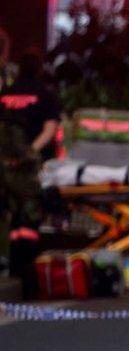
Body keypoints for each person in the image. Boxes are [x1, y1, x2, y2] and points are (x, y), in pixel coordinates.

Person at [0, 49, 58, 296]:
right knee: (30, 217)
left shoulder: (6, 94)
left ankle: (13, 266)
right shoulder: (45, 95)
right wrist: (31, 153)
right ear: (40, 69)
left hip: (4, 166)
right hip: (28, 169)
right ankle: (28, 275)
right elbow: (50, 129)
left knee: (11, 217)